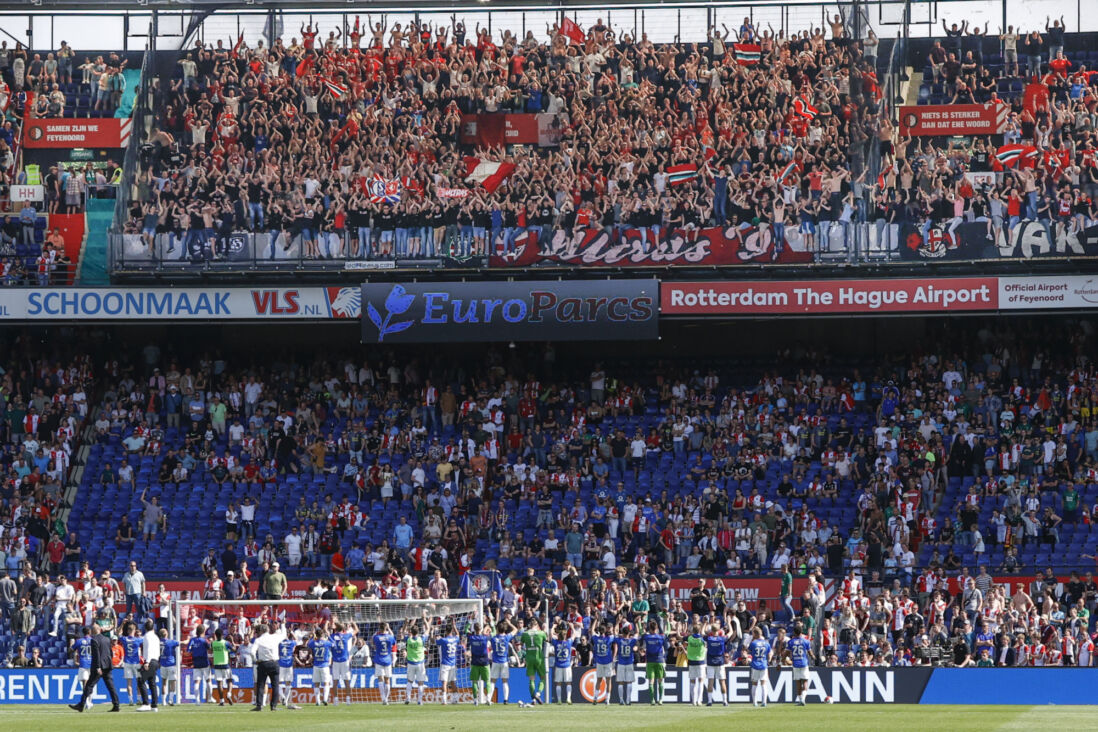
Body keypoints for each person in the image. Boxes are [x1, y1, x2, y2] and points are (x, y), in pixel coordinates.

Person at [70, 624, 120, 712]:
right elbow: (110, 653)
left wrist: (98, 667)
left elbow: (96, 654)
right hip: (107, 666)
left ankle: (81, 705)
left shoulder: (94, 640)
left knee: (89, 686)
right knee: (111, 687)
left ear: (93, 631)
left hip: (98, 667)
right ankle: (116, 705)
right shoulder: (107, 639)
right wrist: (108, 663)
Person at [252, 622, 281, 712]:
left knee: (260, 685)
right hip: (274, 662)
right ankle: (273, 706)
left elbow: (252, 652)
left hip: (263, 663)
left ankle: (259, 705)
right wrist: (283, 625)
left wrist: (255, 660)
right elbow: (283, 634)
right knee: (275, 685)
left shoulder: (258, 640)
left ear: (261, 631)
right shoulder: (275, 637)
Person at [519, 617, 548, 704]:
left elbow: (521, 644)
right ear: (536, 625)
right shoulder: (541, 633)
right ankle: (538, 694)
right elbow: (547, 640)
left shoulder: (525, 634)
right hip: (539, 657)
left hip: (529, 657)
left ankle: (533, 699)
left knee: (532, 679)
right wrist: (545, 630)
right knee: (543, 678)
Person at [330, 621, 356, 705]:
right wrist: (353, 623)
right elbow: (356, 630)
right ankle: (348, 700)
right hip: (345, 660)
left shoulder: (332, 636)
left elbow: (326, 631)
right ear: (343, 629)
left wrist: (329, 624)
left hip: (336, 661)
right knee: (347, 681)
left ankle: (335, 700)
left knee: (335, 681)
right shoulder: (346, 636)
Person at [136, 620, 160, 712]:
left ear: (145, 628)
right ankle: (154, 705)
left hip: (150, 660)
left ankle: (146, 703)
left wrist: (147, 662)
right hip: (156, 660)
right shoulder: (156, 637)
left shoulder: (147, 636)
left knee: (141, 681)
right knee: (152, 682)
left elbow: (149, 649)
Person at [641, 621, 667, 705]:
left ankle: (652, 700)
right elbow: (666, 647)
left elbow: (641, 640)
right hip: (659, 660)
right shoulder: (661, 637)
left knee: (651, 681)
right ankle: (660, 699)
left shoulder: (647, 637)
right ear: (656, 629)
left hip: (650, 661)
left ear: (650, 628)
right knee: (660, 680)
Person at [490, 619, 516, 705]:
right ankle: (505, 700)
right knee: (504, 681)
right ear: (504, 630)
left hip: (495, 662)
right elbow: (515, 630)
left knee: (493, 681)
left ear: (497, 629)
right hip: (504, 661)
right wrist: (509, 623)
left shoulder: (493, 638)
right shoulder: (506, 637)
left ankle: (488, 699)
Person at [788, 623, 813, 706]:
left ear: (794, 633)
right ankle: (803, 699)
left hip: (795, 664)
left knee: (798, 683)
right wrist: (814, 657)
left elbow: (787, 653)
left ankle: (800, 700)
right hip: (804, 663)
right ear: (801, 632)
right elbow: (810, 653)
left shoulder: (791, 642)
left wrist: (782, 661)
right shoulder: (806, 641)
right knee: (805, 682)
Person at [436, 621, 461, 705]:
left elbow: (435, 641)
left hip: (445, 664)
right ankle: (455, 699)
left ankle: (444, 700)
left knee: (444, 682)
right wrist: (454, 626)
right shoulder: (455, 639)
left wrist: (434, 635)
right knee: (453, 682)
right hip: (453, 664)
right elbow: (458, 635)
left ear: (445, 631)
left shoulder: (443, 640)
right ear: (452, 631)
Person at [704, 624, 729, 707]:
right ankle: (725, 701)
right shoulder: (722, 639)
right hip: (720, 662)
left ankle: (710, 701)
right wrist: (729, 623)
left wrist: (704, 624)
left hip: (710, 662)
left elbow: (701, 632)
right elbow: (731, 633)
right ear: (718, 630)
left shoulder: (709, 638)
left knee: (710, 682)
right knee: (722, 682)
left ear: (711, 630)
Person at [591, 623, 616, 706]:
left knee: (599, 681)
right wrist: (617, 623)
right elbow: (614, 634)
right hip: (608, 661)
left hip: (599, 662)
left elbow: (592, 631)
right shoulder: (609, 638)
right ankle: (607, 699)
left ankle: (595, 698)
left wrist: (595, 620)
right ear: (605, 631)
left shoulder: (596, 639)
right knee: (608, 681)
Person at [371, 622, 395, 705]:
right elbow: (394, 640)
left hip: (379, 659)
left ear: (380, 629)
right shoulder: (390, 637)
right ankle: (386, 699)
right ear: (386, 628)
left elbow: (372, 641)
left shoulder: (377, 637)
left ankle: (383, 698)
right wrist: (389, 629)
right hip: (388, 660)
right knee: (387, 680)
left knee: (380, 679)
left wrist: (377, 631)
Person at [748, 626, 773, 708]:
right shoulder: (766, 643)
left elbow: (749, 651)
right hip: (763, 664)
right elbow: (769, 654)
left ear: (755, 634)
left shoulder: (753, 643)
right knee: (764, 684)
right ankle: (764, 702)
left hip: (755, 664)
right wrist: (768, 660)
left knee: (754, 683)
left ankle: (755, 702)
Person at [277, 626, 302, 709]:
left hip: (281, 664)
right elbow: (298, 641)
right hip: (289, 664)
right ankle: (286, 700)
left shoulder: (279, 643)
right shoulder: (291, 643)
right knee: (288, 683)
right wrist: (292, 632)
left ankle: (283, 698)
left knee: (279, 683)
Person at [308, 627, 333, 706]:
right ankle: (325, 699)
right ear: (322, 634)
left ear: (316, 634)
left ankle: (317, 701)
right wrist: (329, 636)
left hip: (316, 665)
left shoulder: (313, 642)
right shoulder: (326, 643)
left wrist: (313, 636)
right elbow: (334, 644)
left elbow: (308, 643)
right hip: (325, 665)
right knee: (326, 683)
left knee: (316, 683)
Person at [467, 623, 492, 706]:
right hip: (484, 661)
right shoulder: (485, 638)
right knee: (487, 681)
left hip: (475, 661)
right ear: (480, 629)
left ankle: (475, 700)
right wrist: (489, 625)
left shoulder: (472, 638)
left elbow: (465, 630)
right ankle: (488, 698)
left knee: (474, 681)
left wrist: (469, 622)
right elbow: (494, 632)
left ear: (474, 629)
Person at [614, 623, 638, 706]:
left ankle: (621, 700)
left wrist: (618, 622)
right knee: (629, 682)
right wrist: (637, 624)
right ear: (629, 633)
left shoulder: (619, 640)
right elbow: (637, 633)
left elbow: (615, 633)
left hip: (621, 663)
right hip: (629, 663)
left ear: (622, 633)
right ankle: (628, 700)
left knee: (620, 682)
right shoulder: (632, 641)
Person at [120, 621, 144, 705]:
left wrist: (122, 625)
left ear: (127, 631)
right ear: (134, 631)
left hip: (127, 662)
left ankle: (130, 700)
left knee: (129, 682)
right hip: (136, 663)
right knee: (139, 681)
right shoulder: (138, 640)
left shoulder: (124, 639)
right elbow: (145, 639)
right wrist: (140, 634)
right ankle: (138, 699)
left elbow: (118, 633)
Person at [403, 622, 426, 705]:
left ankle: (408, 698)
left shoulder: (408, 639)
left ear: (411, 632)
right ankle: (419, 701)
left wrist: (405, 623)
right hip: (420, 663)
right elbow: (427, 630)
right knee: (420, 682)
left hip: (411, 663)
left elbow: (402, 632)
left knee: (409, 681)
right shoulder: (421, 639)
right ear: (418, 632)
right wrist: (425, 620)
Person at [551, 623, 574, 704]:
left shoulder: (556, 643)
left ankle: (559, 700)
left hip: (558, 665)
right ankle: (568, 698)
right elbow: (574, 635)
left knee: (558, 683)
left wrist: (553, 627)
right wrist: (572, 627)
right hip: (567, 665)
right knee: (568, 682)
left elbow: (551, 635)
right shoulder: (568, 642)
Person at [187, 629, 211, 704]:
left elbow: (188, 650)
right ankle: (210, 698)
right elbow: (209, 647)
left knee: (197, 682)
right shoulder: (204, 640)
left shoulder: (192, 640)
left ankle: (197, 700)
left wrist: (195, 650)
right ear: (203, 632)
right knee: (208, 680)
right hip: (204, 661)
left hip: (196, 662)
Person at [72, 626, 94, 710]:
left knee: (85, 684)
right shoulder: (92, 640)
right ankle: (90, 701)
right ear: (89, 632)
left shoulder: (79, 641)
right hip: (92, 664)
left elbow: (71, 649)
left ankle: (87, 702)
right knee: (90, 684)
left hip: (83, 664)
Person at [211, 628, 235, 705]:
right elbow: (234, 649)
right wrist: (232, 642)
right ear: (222, 635)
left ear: (216, 635)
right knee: (230, 680)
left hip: (217, 664)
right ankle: (229, 694)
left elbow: (211, 649)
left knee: (219, 683)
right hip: (225, 664)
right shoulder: (226, 643)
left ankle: (221, 701)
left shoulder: (213, 643)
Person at [685, 624, 706, 706]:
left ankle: (693, 701)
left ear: (693, 631)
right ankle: (699, 700)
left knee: (692, 681)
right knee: (701, 681)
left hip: (691, 661)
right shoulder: (702, 639)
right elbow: (705, 644)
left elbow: (683, 639)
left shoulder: (690, 638)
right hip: (700, 661)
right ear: (700, 630)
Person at [159, 628, 180, 706]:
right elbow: (179, 643)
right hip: (171, 664)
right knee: (173, 682)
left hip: (162, 664)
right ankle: (170, 699)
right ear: (166, 634)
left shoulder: (158, 642)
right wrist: (187, 640)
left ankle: (163, 701)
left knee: (164, 683)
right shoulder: (171, 642)